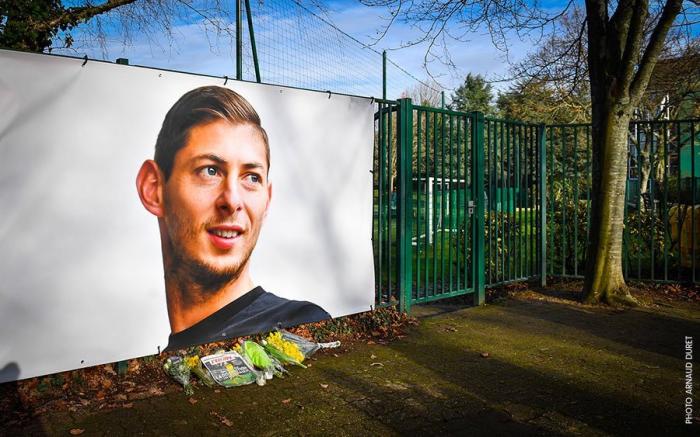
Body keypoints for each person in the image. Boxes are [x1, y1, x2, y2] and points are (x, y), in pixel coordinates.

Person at [136, 85, 330, 351]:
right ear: (153, 189)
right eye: (210, 171)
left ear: (267, 200)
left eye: (252, 178)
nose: (233, 201)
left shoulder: (297, 327)